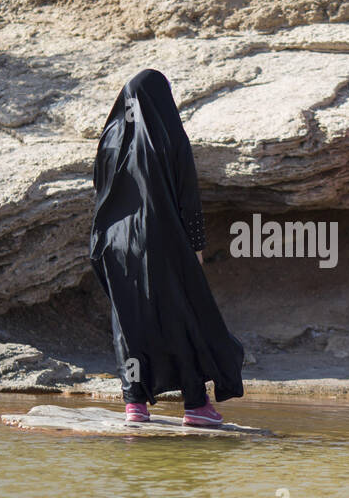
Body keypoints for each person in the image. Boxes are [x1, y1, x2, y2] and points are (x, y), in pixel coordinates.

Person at [90, 68, 244, 425]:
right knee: (181, 315)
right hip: (160, 238)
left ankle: (134, 404)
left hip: (112, 242)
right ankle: (195, 404)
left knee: (127, 319)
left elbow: (99, 191)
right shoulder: (168, 134)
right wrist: (196, 245)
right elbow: (187, 195)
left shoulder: (110, 137)